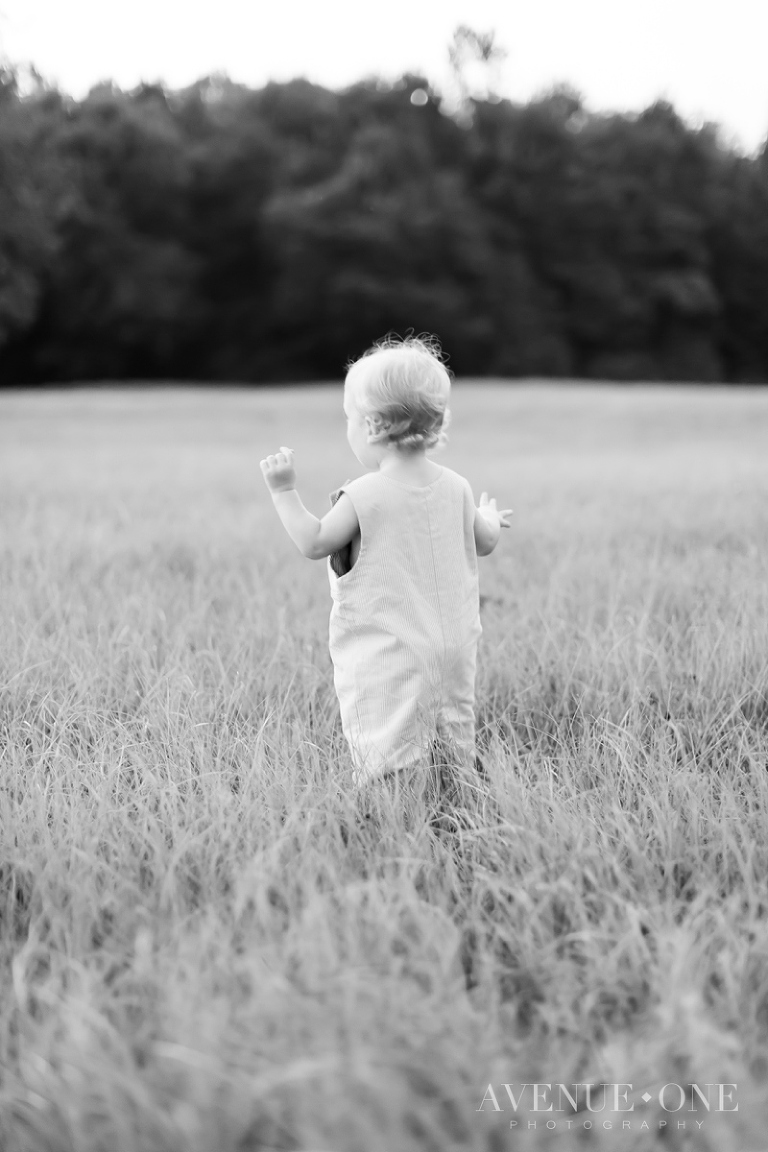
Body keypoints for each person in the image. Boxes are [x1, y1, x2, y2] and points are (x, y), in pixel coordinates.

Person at [260, 334, 511, 802]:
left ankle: (394, 820)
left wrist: (283, 492)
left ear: (373, 427)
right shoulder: (456, 485)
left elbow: (315, 542)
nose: (348, 428)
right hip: (455, 644)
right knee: (451, 731)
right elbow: (487, 539)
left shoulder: (364, 494)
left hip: (391, 650)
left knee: (388, 747)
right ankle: (457, 809)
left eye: (349, 419)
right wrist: (492, 514)